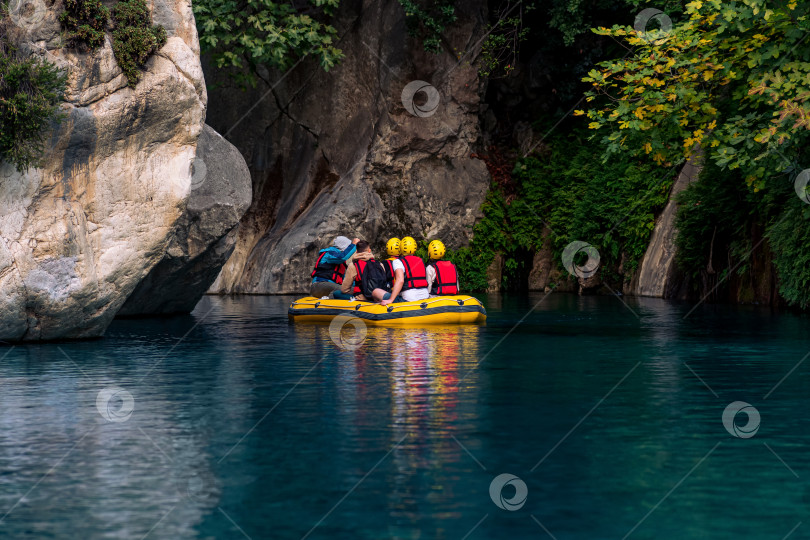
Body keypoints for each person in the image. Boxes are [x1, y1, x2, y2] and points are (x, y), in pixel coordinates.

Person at [376, 236, 430, 305]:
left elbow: (400, 280)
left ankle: (382, 312)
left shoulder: (398, 261)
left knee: (376, 291)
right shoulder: (421, 261)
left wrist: (391, 300)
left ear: (400, 248)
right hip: (425, 297)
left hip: (408, 299)